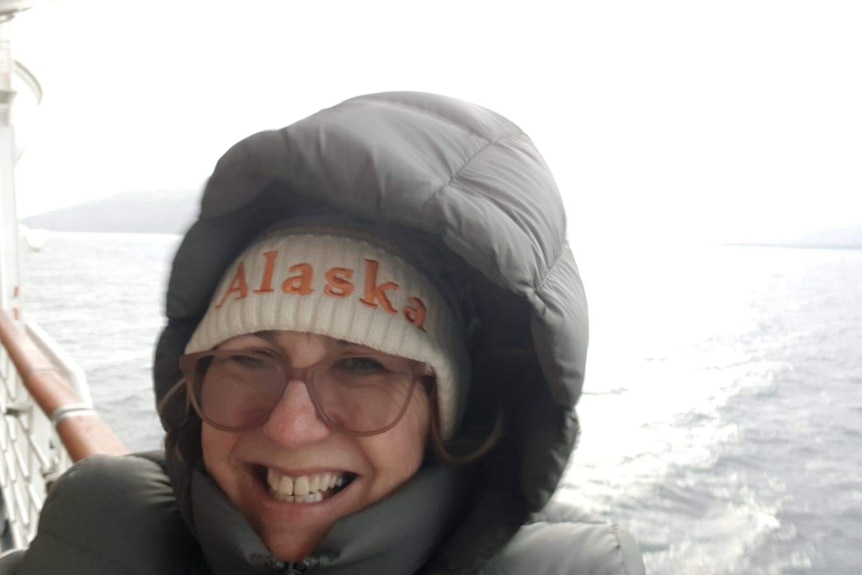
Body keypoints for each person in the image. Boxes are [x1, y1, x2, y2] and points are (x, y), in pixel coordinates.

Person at [0, 92, 645, 574]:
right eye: (250, 358)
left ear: (451, 414)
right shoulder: (82, 543)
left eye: (362, 366)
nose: (288, 427)